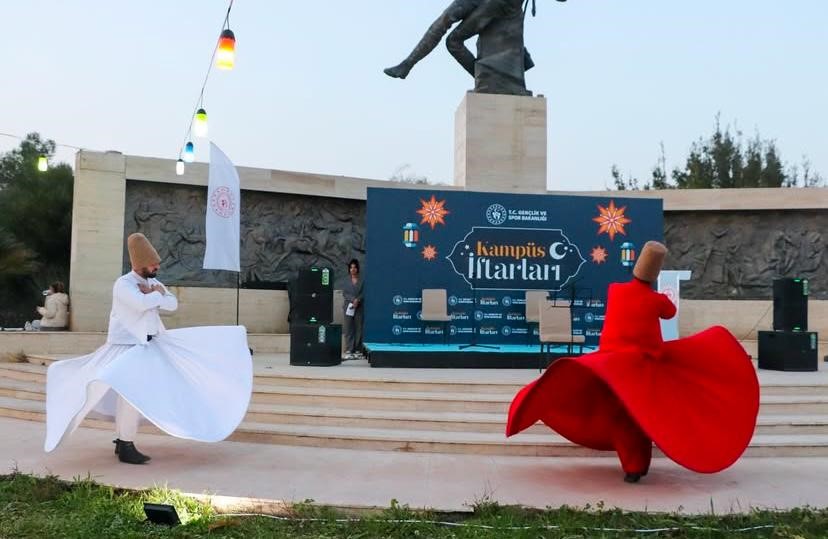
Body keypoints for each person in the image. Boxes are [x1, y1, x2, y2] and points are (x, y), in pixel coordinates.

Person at [506, 241, 760, 482]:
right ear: (654, 274)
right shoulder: (655, 300)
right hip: (639, 368)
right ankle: (636, 467)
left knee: (621, 415)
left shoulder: (616, 290)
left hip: (610, 368)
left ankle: (635, 467)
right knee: (638, 416)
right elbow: (669, 311)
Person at [44, 233, 253, 464]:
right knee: (129, 395)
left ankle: (124, 440)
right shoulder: (123, 284)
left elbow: (172, 304)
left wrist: (156, 294)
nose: (157, 267)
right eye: (153, 264)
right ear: (141, 264)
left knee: (139, 394)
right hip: (125, 348)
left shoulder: (153, 283)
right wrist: (156, 296)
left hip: (148, 346)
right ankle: (125, 444)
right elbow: (141, 304)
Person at [342, 259, 364, 360]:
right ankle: (349, 349)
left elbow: (364, 292)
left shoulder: (362, 280)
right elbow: (345, 293)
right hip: (348, 307)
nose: (353, 269)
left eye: (354, 267)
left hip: (359, 307)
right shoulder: (346, 280)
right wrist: (353, 300)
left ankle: (358, 349)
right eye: (351, 267)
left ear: (357, 269)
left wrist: (358, 300)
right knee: (348, 328)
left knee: (359, 328)